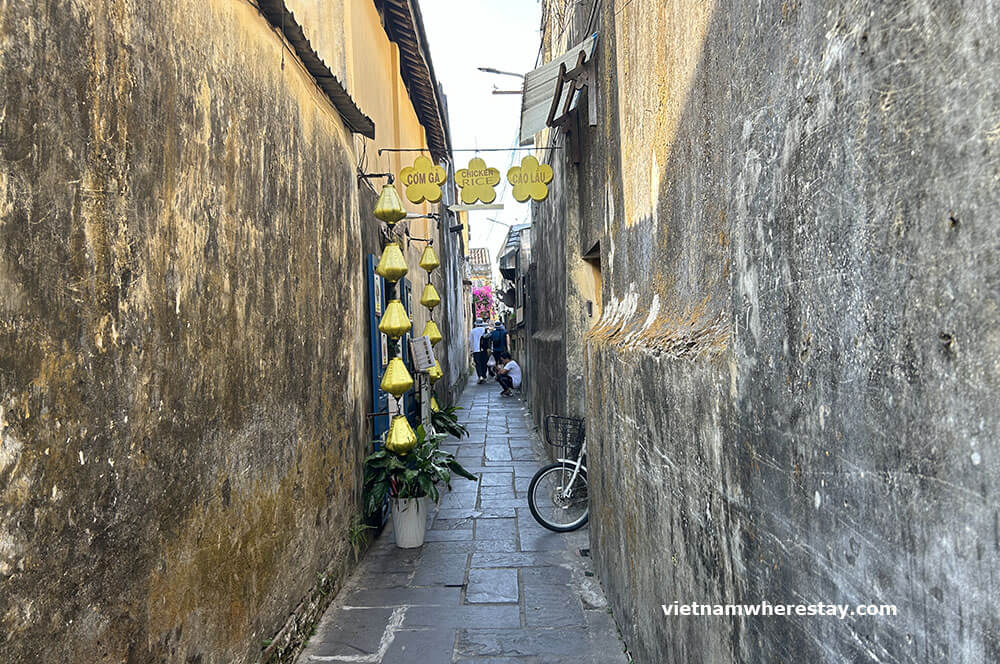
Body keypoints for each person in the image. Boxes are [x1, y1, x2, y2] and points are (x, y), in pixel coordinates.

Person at [469, 319, 489, 384]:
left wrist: (471, 350)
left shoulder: (473, 331)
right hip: (484, 349)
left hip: (476, 350)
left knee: (478, 363)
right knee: (484, 363)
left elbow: (471, 341)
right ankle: (484, 376)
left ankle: (480, 376)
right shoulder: (485, 330)